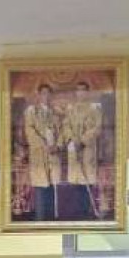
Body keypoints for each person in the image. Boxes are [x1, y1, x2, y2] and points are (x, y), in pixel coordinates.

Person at [63, 78, 104, 218]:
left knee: (88, 178)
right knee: (76, 181)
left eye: (83, 90)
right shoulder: (70, 108)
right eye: (78, 90)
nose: (80, 93)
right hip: (73, 147)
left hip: (87, 148)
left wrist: (83, 140)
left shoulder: (94, 108)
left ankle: (89, 211)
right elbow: (66, 125)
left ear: (87, 92)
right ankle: (77, 212)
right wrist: (73, 139)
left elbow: (97, 127)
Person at [23, 83, 63, 221]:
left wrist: (57, 146)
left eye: (48, 93)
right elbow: (29, 130)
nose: (46, 96)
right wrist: (44, 145)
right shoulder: (32, 111)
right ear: (39, 95)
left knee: (52, 186)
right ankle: (40, 219)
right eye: (43, 93)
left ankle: (51, 220)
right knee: (40, 186)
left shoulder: (55, 113)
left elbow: (62, 132)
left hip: (53, 153)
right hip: (40, 153)